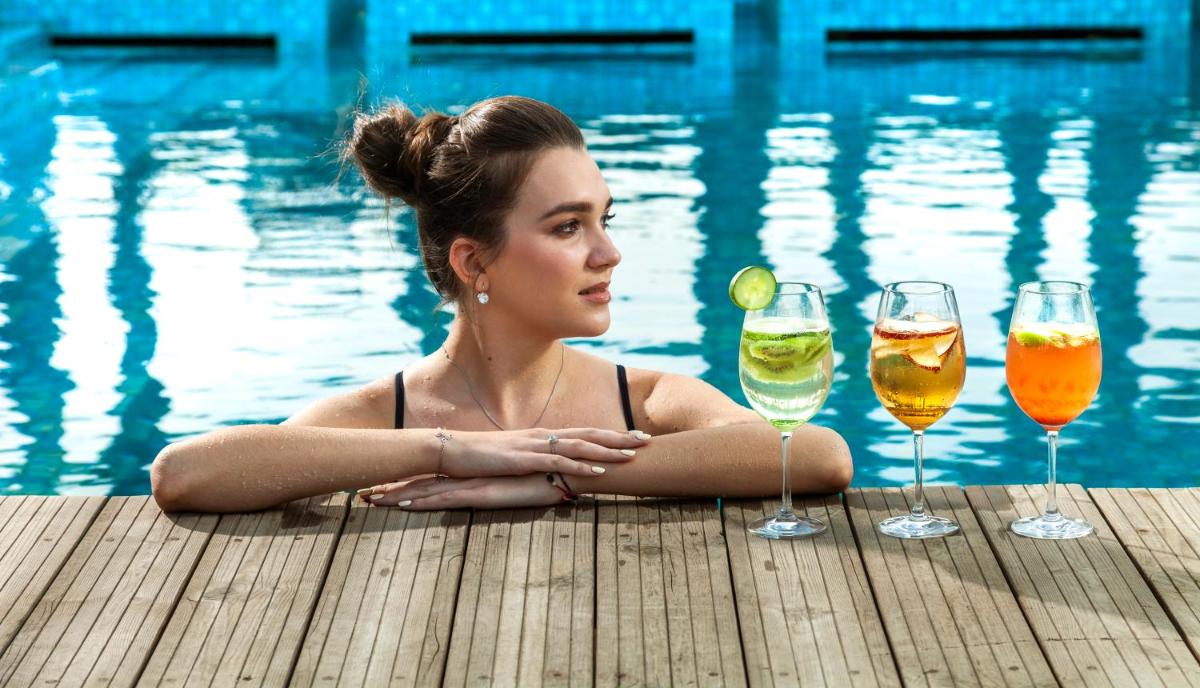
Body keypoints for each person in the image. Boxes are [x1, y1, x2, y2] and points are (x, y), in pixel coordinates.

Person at [149, 96, 852, 514]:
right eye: (568, 227)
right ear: (473, 262)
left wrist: (555, 471)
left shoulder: (647, 400)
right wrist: (454, 452)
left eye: (605, 219)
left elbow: (819, 456)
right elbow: (183, 474)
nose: (608, 253)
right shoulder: (384, 417)